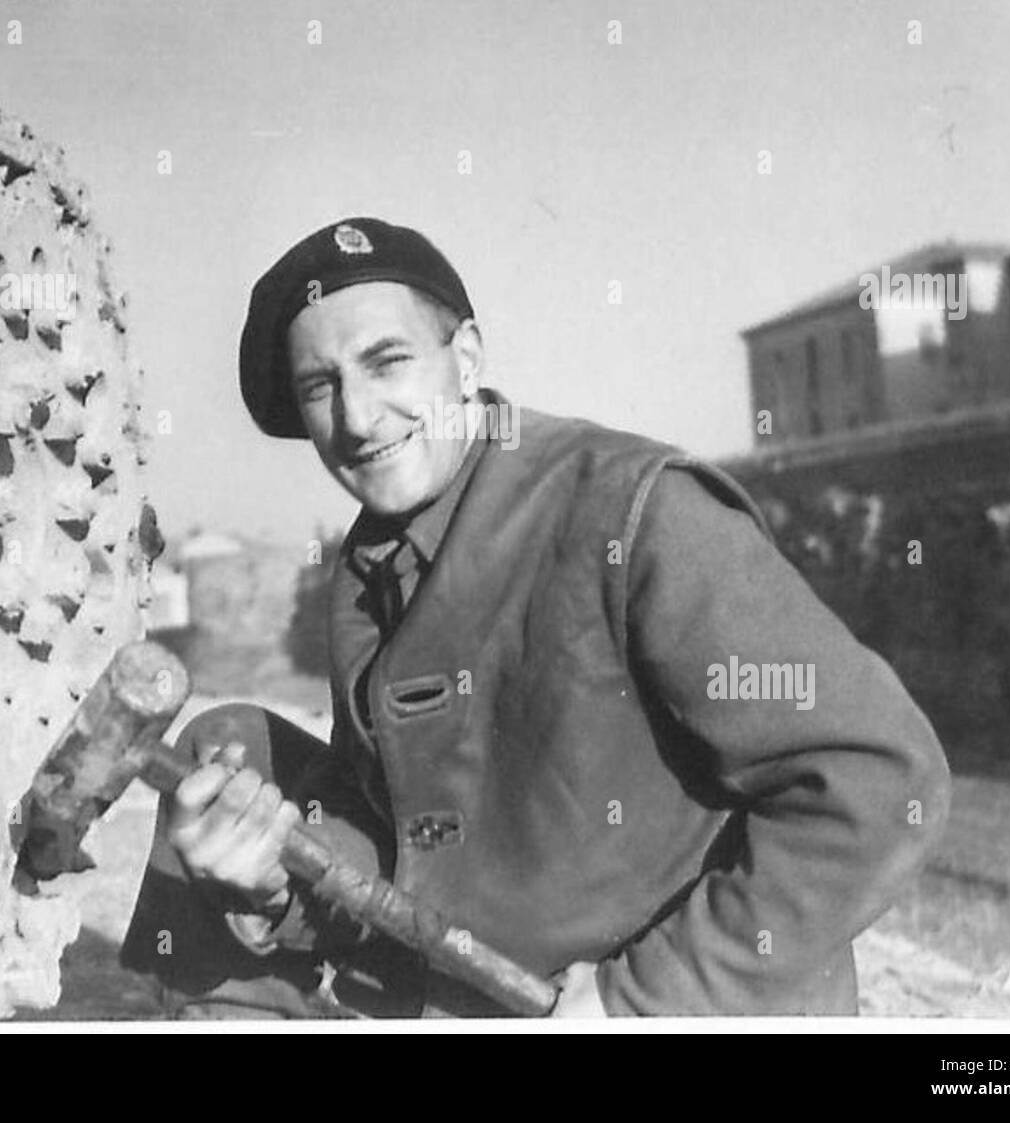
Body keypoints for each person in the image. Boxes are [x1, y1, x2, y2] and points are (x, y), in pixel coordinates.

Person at [120, 216, 951, 1018]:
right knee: (226, 751)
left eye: (387, 362)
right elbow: (410, 848)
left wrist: (643, 999)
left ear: (467, 358)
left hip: (682, 1000)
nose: (359, 416)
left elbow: (878, 776)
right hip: (488, 983)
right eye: (320, 386)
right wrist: (269, 884)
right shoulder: (374, 563)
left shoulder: (635, 512)